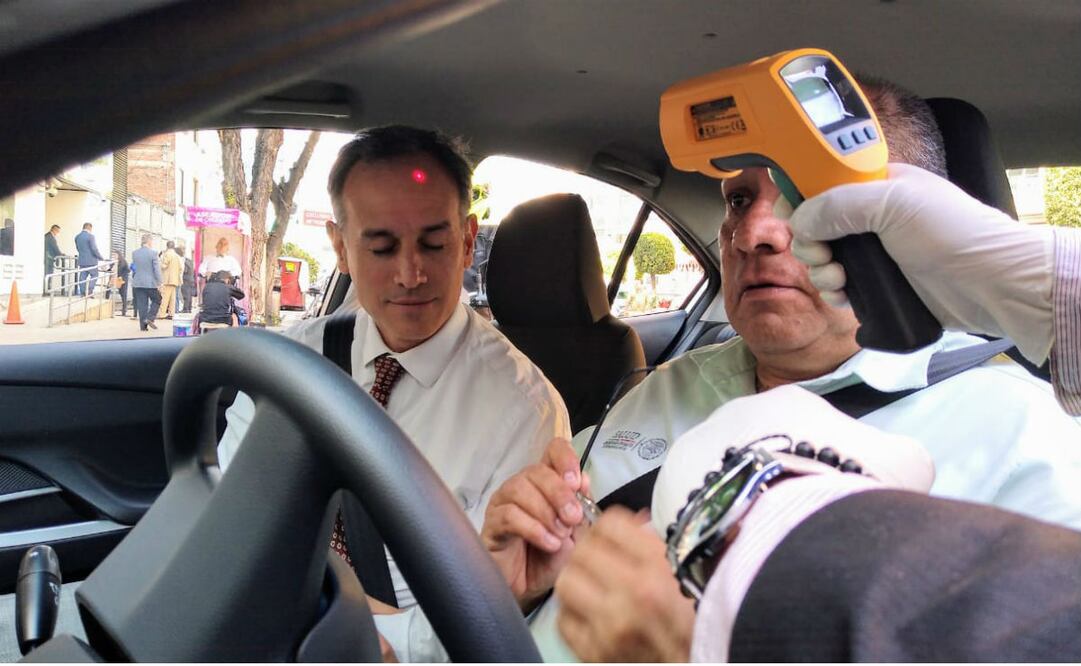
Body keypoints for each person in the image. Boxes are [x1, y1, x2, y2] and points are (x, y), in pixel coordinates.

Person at [482, 79, 1081, 659]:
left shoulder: (1028, 437)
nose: (753, 233)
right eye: (739, 200)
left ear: (912, 222)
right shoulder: (662, 386)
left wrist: (703, 652)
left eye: (807, 191)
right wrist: (518, 594)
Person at [215, 125, 570, 662]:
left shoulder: (525, 410)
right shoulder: (291, 365)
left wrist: (364, 629)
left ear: (468, 241)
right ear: (340, 247)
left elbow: (484, 609)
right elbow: (227, 519)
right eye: (381, 247)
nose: (410, 274)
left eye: (434, 243)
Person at [130, 234, 162, 331]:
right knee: (157, 299)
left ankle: (143, 327)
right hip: (150, 283)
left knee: (142, 304)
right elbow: (156, 269)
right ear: (149, 241)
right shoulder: (153, 253)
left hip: (138, 282)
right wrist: (160, 282)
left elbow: (134, 267)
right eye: (152, 241)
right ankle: (150, 317)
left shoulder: (135, 253)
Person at [74, 222, 105, 296]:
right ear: (90, 228)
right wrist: (100, 257)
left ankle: (82, 293)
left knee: (82, 277)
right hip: (91, 261)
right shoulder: (91, 236)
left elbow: (78, 248)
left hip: (82, 260)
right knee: (94, 275)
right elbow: (94, 249)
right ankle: (90, 291)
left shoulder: (77, 237)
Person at [158, 240, 181, 319]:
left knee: (164, 297)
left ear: (167, 246)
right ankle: (171, 313)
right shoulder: (177, 256)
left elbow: (164, 265)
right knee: (172, 298)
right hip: (174, 280)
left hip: (167, 279)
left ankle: (162, 314)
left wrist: (160, 261)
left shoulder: (167, 254)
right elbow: (180, 268)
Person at [109, 250, 130, 317]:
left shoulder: (123, 261)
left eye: (115, 255)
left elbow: (126, 270)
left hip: (122, 279)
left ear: (119, 255)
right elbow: (110, 269)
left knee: (123, 294)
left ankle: (124, 311)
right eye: (113, 255)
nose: (114, 256)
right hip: (115, 278)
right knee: (108, 289)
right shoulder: (113, 262)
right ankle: (108, 305)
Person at [43, 224, 62, 295]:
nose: (57, 233)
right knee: (48, 275)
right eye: (57, 231)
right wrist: (61, 254)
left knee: (47, 275)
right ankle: (47, 291)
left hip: (47, 259)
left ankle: (46, 290)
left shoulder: (46, 236)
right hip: (48, 260)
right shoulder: (50, 237)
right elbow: (55, 248)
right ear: (54, 230)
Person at [178, 245, 195, 313]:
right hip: (190, 279)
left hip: (185, 279)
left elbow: (185, 270)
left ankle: (185, 309)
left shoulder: (183, 261)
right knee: (189, 294)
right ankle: (189, 308)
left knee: (186, 294)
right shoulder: (189, 260)